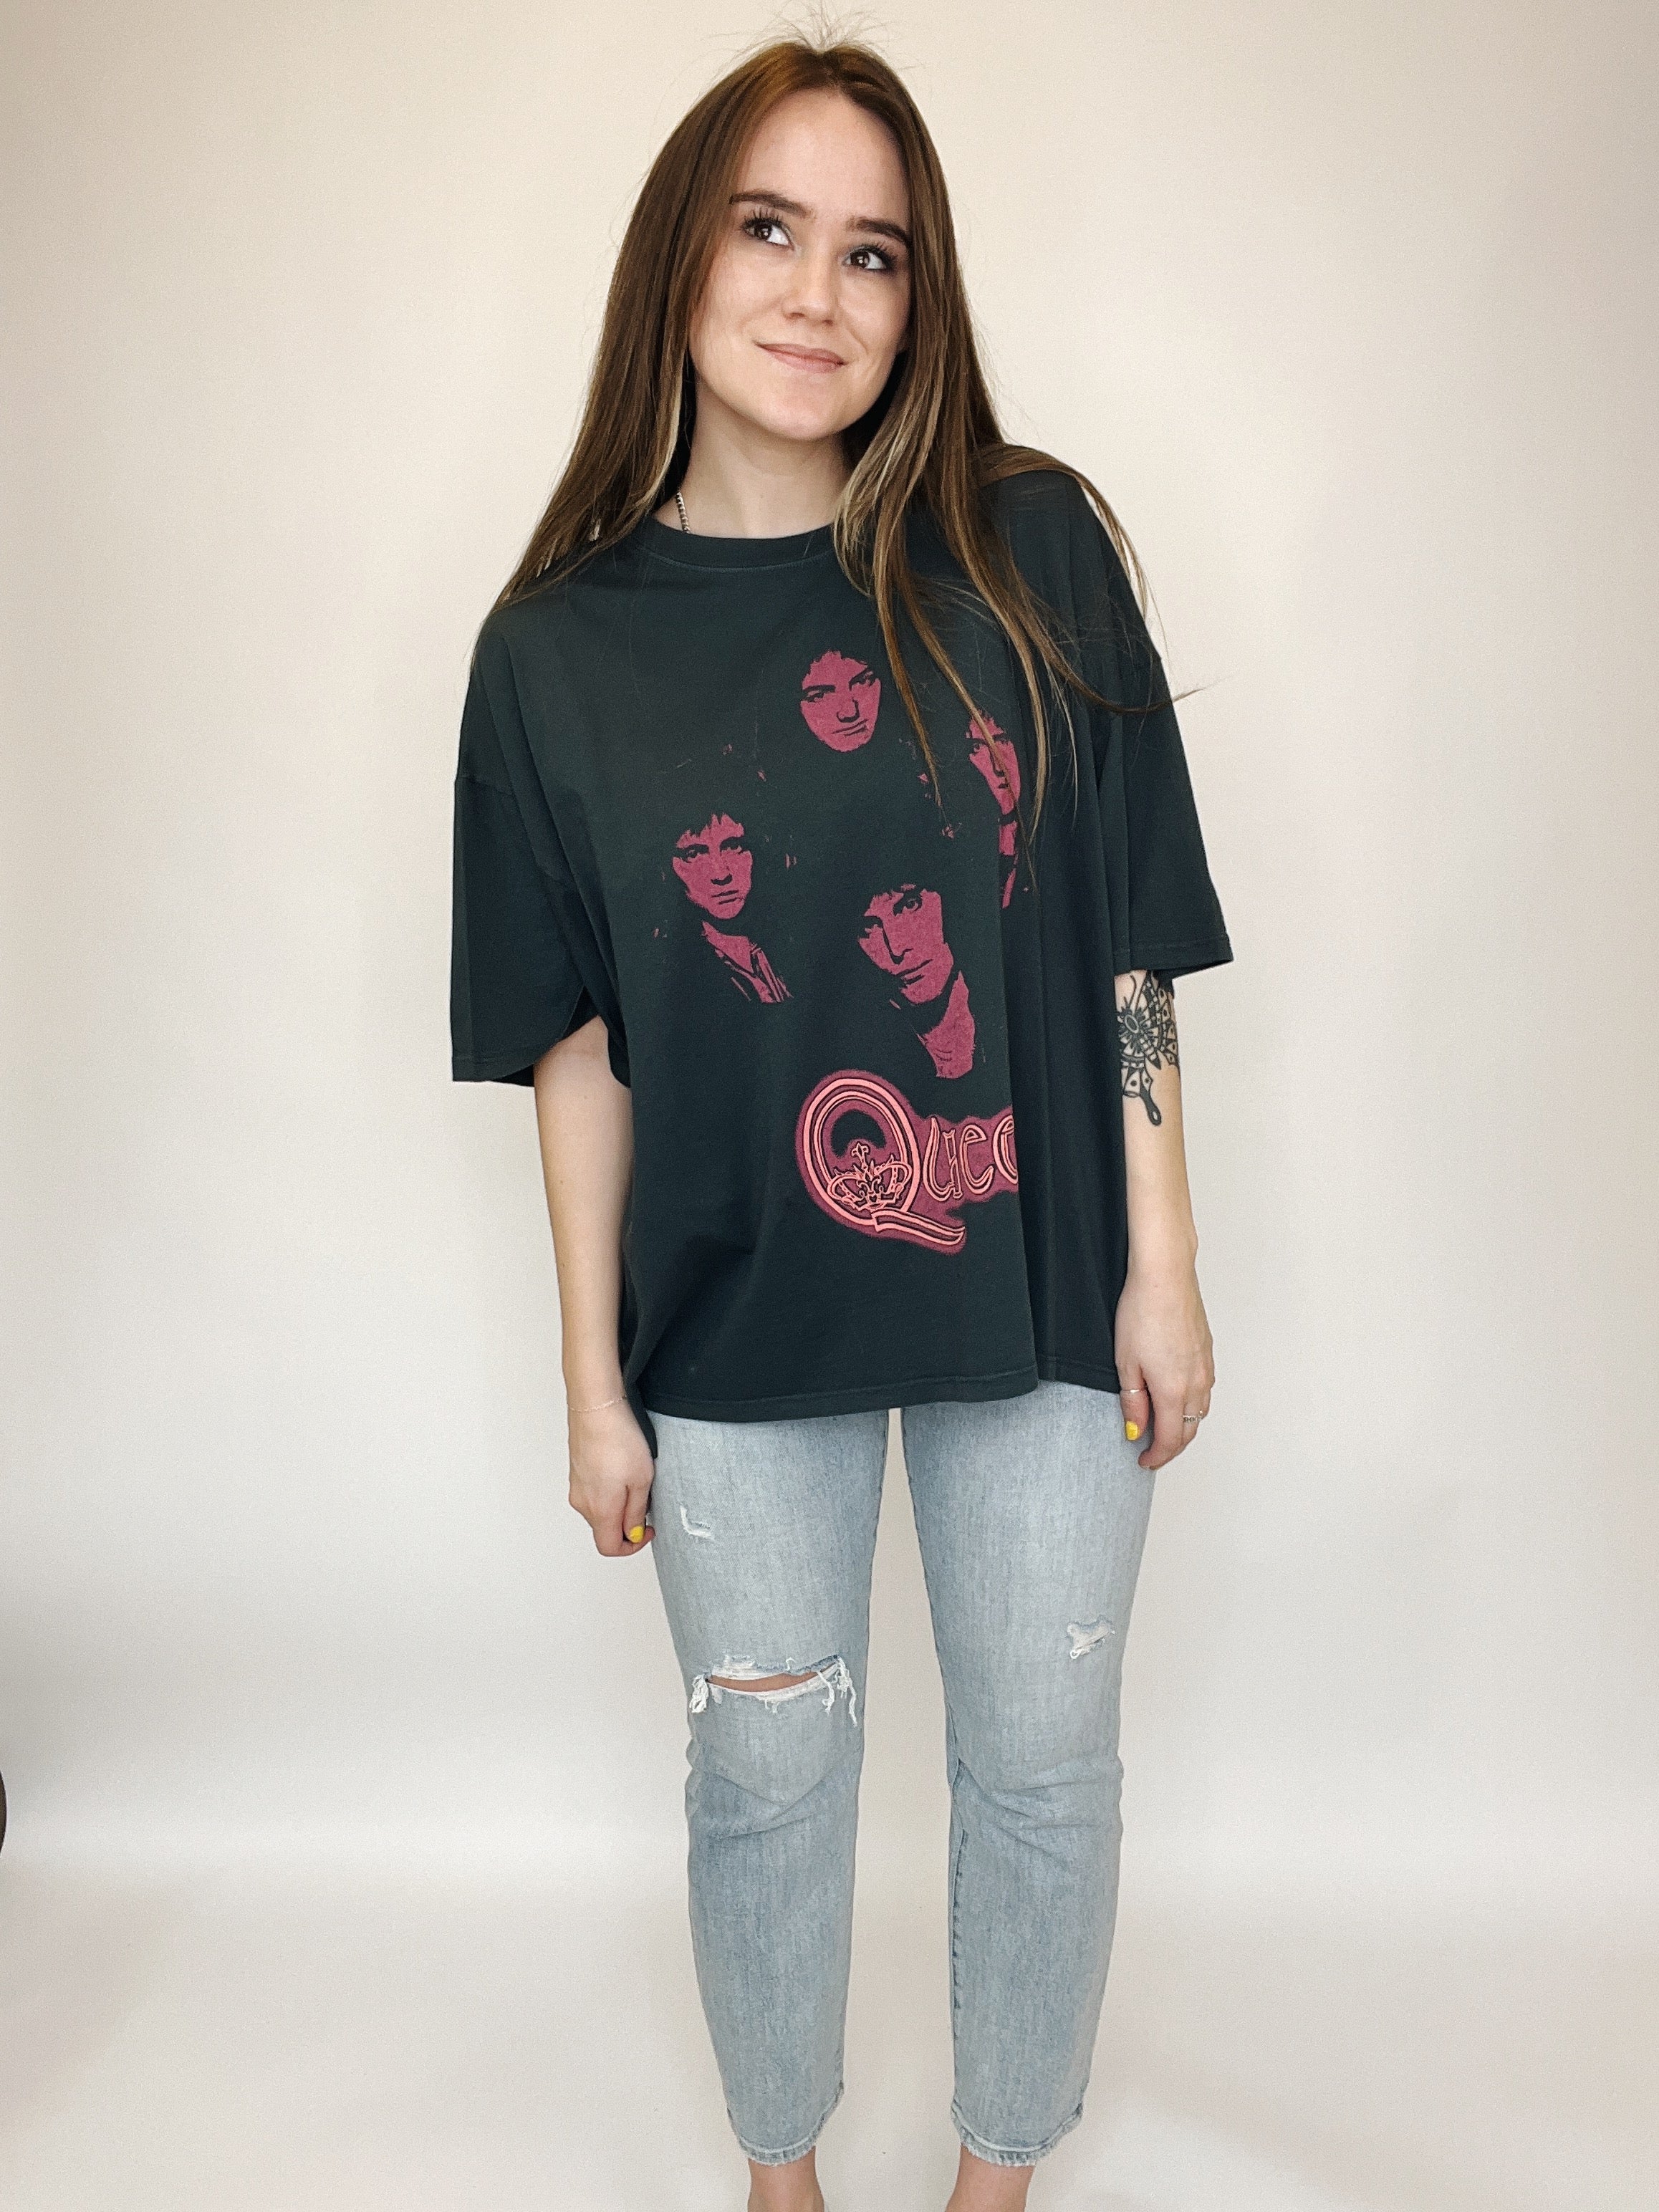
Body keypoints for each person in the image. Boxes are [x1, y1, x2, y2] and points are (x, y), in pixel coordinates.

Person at [448, 34, 1232, 2212]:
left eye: (873, 252)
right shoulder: (554, 656)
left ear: (920, 294)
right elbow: (574, 1043)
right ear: (680, 261)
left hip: (1043, 1279)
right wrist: (592, 1380)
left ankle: (996, 2183)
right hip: (729, 1314)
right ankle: (779, 2185)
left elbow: (1126, 940)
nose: (819, 293)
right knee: (764, 1785)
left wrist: (1167, 1263)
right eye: (769, 229)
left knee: (1042, 1767)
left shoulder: (1030, 547)